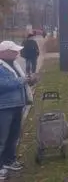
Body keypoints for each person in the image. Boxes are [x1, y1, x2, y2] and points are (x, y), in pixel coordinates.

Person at [0, 41, 37, 180]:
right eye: (14, 51)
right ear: (4, 52)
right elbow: (3, 84)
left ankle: (9, 161)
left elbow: (20, 81)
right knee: (2, 138)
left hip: (17, 105)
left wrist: (30, 80)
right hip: (3, 107)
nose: (17, 53)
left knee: (13, 136)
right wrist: (23, 80)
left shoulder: (13, 64)